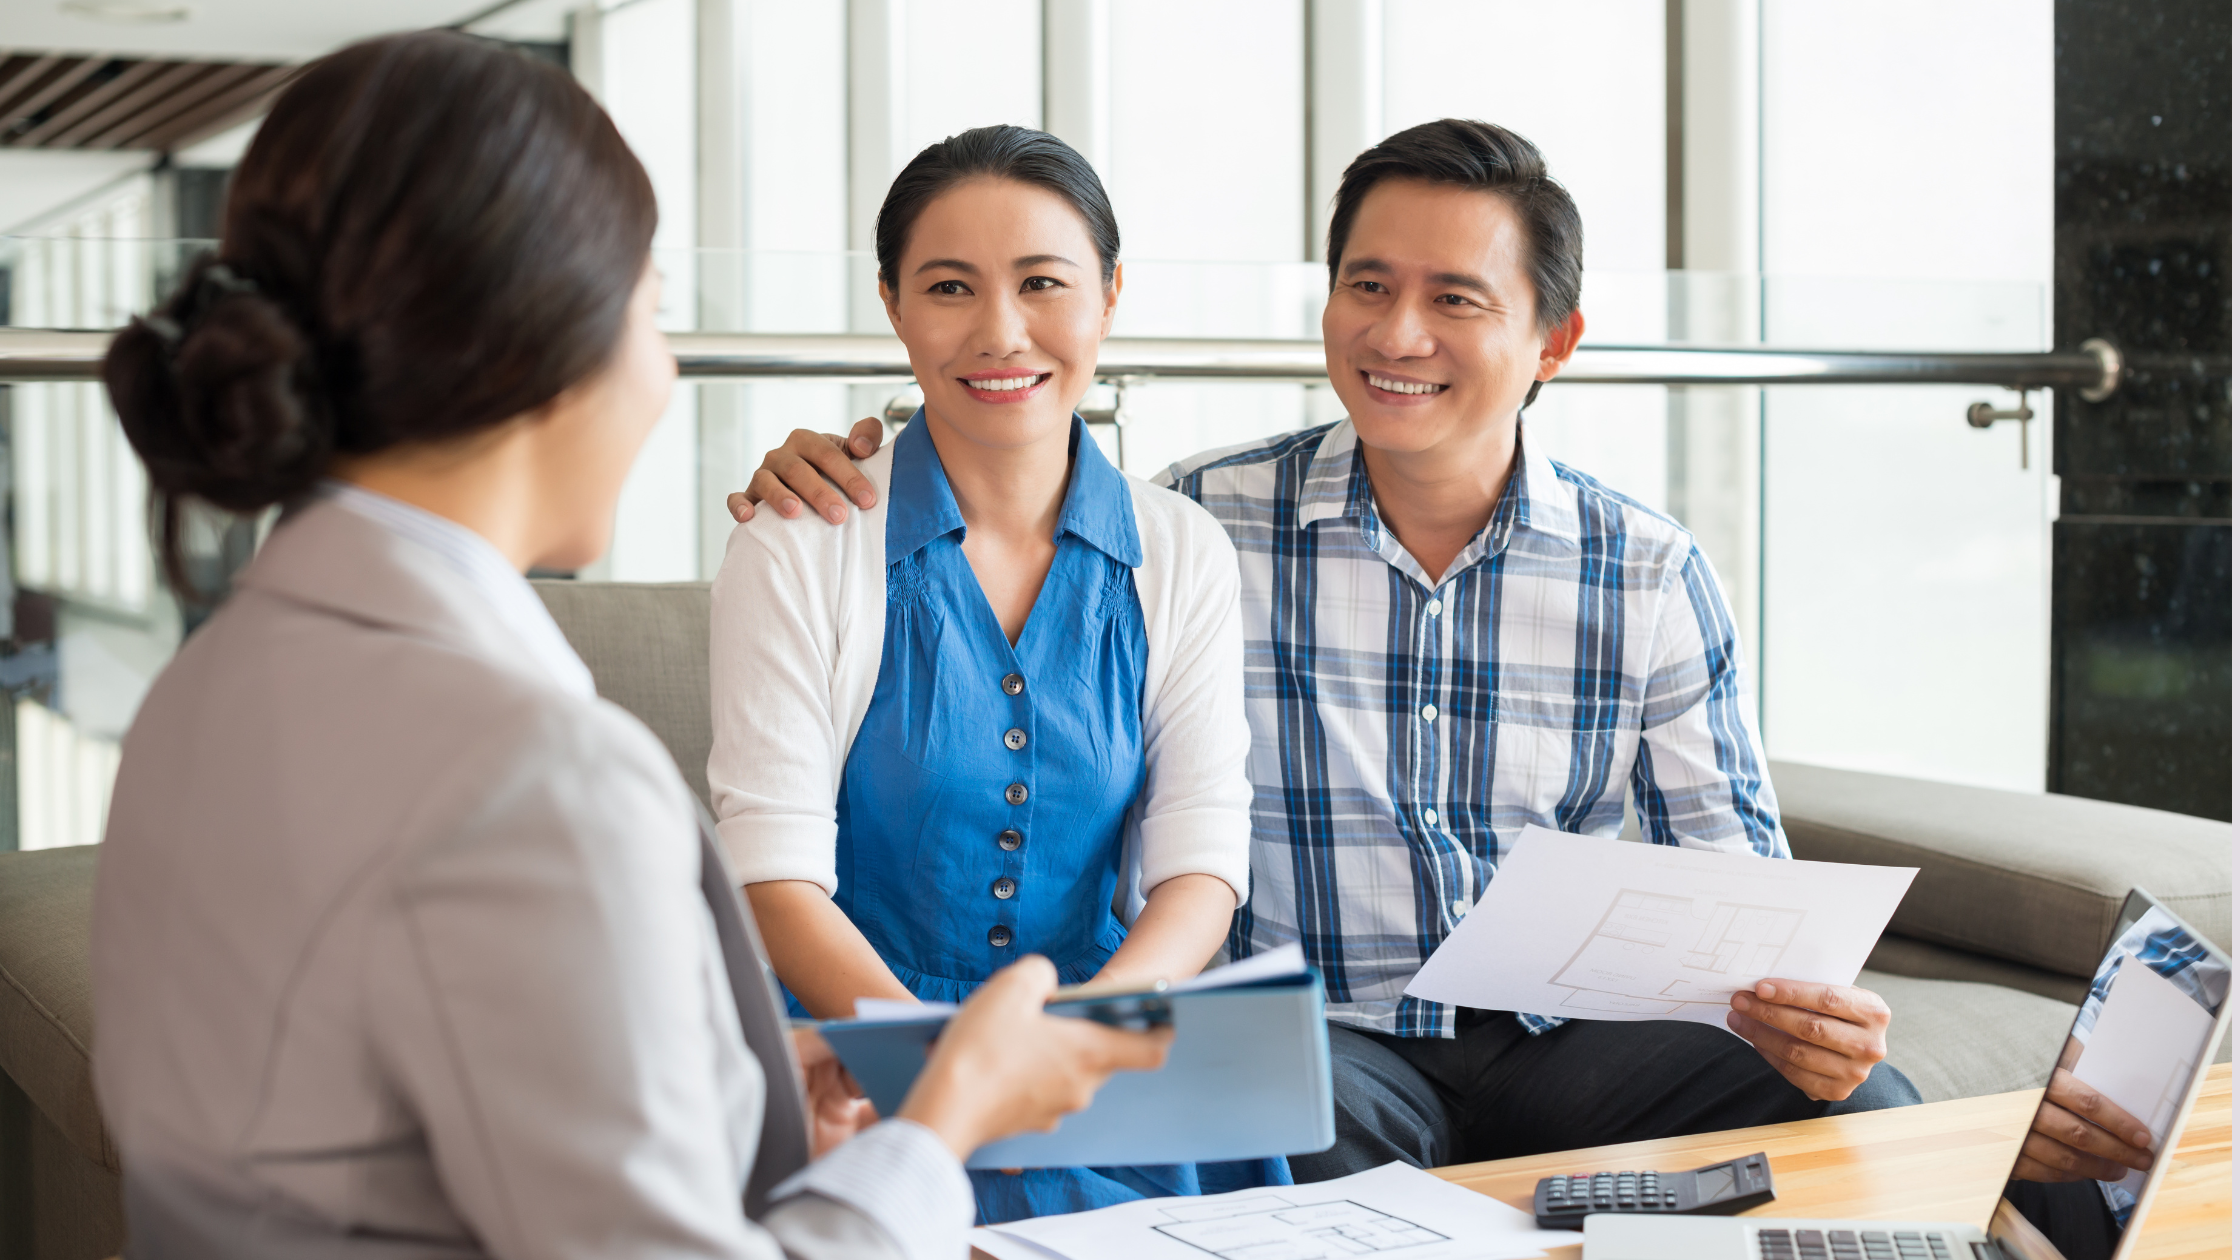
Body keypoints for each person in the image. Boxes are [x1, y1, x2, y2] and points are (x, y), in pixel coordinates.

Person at [89, 35, 1170, 1260]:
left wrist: (739, 1084)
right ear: (536, 346)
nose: (661, 376)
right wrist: (941, 1120)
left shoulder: (200, 689)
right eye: (650, 312)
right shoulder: (528, 775)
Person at [728, 118, 1923, 1179]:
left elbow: (1743, 900)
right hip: (1328, 1043)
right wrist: (823, 462)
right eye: (1367, 286)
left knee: (1858, 1104)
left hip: (1568, 1048)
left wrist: (1807, 1015)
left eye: (1454, 298)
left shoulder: (1646, 572)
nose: (1397, 334)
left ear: (1552, 342)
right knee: (1272, 1121)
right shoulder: (1204, 526)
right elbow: (997, 477)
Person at [707, 124, 1286, 1224]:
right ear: (890, 302)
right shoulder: (796, 540)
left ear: (1110, 294)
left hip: (1099, 1050)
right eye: (947, 286)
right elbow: (772, 871)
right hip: (851, 1059)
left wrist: (1085, 1040)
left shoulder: (1181, 550)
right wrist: (955, 1079)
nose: (998, 331)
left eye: (1041, 283)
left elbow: (1201, 855)